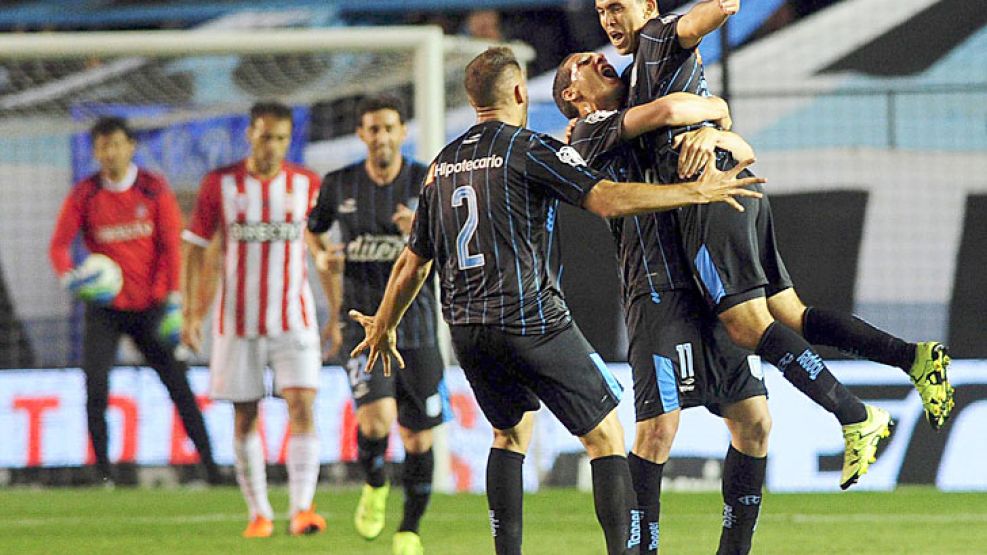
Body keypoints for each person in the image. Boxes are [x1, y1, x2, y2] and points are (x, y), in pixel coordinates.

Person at [348, 46, 765, 555]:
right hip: (531, 319)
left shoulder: (440, 166)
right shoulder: (529, 148)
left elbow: (414, 262)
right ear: (521, 92)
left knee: (508, 436)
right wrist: (695, 193)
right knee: (607, 439)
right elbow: (608, 198)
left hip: (466, 329)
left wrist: (383, 324)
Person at [595, 0, 952, 491]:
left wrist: (720, 14)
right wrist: (720, 120)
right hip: (738, 180)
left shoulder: (659, 37)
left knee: (746, 327)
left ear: (649, 7)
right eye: (600, 11)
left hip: (712, 194)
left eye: (617, 7)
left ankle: (852, 413)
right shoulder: (638, 76)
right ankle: (912, 356)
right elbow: (680, 110)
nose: (609, 20)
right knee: (793, 315)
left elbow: (706, 18)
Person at [555, 51, 768, 555]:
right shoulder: (592, 128)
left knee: (755, 422)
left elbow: (745, 150)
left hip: (702, 290)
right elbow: (673, 111)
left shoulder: (639, 113)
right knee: (657, 431)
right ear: (570, 94)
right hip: (654, 289)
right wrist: (713, 112)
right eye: (583, 62)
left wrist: (716, 132)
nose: (598, 57)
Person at [180, 102, 326, 539]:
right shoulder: (220, 184)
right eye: (266, 137)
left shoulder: (306, 184)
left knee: (302, 406)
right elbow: (194, 246)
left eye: (281, 138)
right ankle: (259, 512)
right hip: (236, 321)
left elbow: (319, 248)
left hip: (293, 319)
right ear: (250, 135)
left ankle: (302, 509)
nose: (273, 146)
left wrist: (335, 312)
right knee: (245, 417)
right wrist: (191, 312)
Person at [307, 94, 445, 555]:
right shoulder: (338, 184)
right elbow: (314, 228)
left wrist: (421, 230)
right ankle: (375, 482)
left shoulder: (426, 180)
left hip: (419, 325)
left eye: (389, 127)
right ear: (361, 135)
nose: (381, 136)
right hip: (363, 324)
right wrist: (321, 254)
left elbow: (449, 245)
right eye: (372, 128)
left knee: (418, 435)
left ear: (402, 132)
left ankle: (410, 530)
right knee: (376, 421)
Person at [49, 116, 219, 486]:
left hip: (152, 309)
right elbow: (59, 245)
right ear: (95, 152)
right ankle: (104, 475)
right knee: (95, 386)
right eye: (102, 147)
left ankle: (213, 468)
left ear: (131, 147)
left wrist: (174, 298)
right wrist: (71, 277)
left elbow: (171, 246)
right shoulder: (85, 194)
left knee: (179, 385)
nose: (110, 153)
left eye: (116, 144)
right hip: (105, 309)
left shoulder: (153, 189)